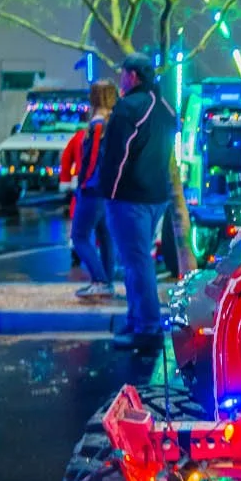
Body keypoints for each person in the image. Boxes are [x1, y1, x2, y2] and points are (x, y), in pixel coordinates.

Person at [96, 53, 177, 353]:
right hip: (155, 196)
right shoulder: (166, 107)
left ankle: (147, 327)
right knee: (137, 261)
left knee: (136, 263)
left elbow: (116, 156)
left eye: (123, 73)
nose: (120, 78)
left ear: (133, 76)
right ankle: (138, 320)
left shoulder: (129, 108)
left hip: (129, 197)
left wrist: (108, 190)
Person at [61, 80, 118, 300]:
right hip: (107, 189)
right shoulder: (114, 121)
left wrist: (83, 181)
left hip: (92, 188)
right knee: (105, 236)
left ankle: (100, 280)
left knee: (79, 236)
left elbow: (91, 157)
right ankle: (107, 281)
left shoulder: (96, 124)